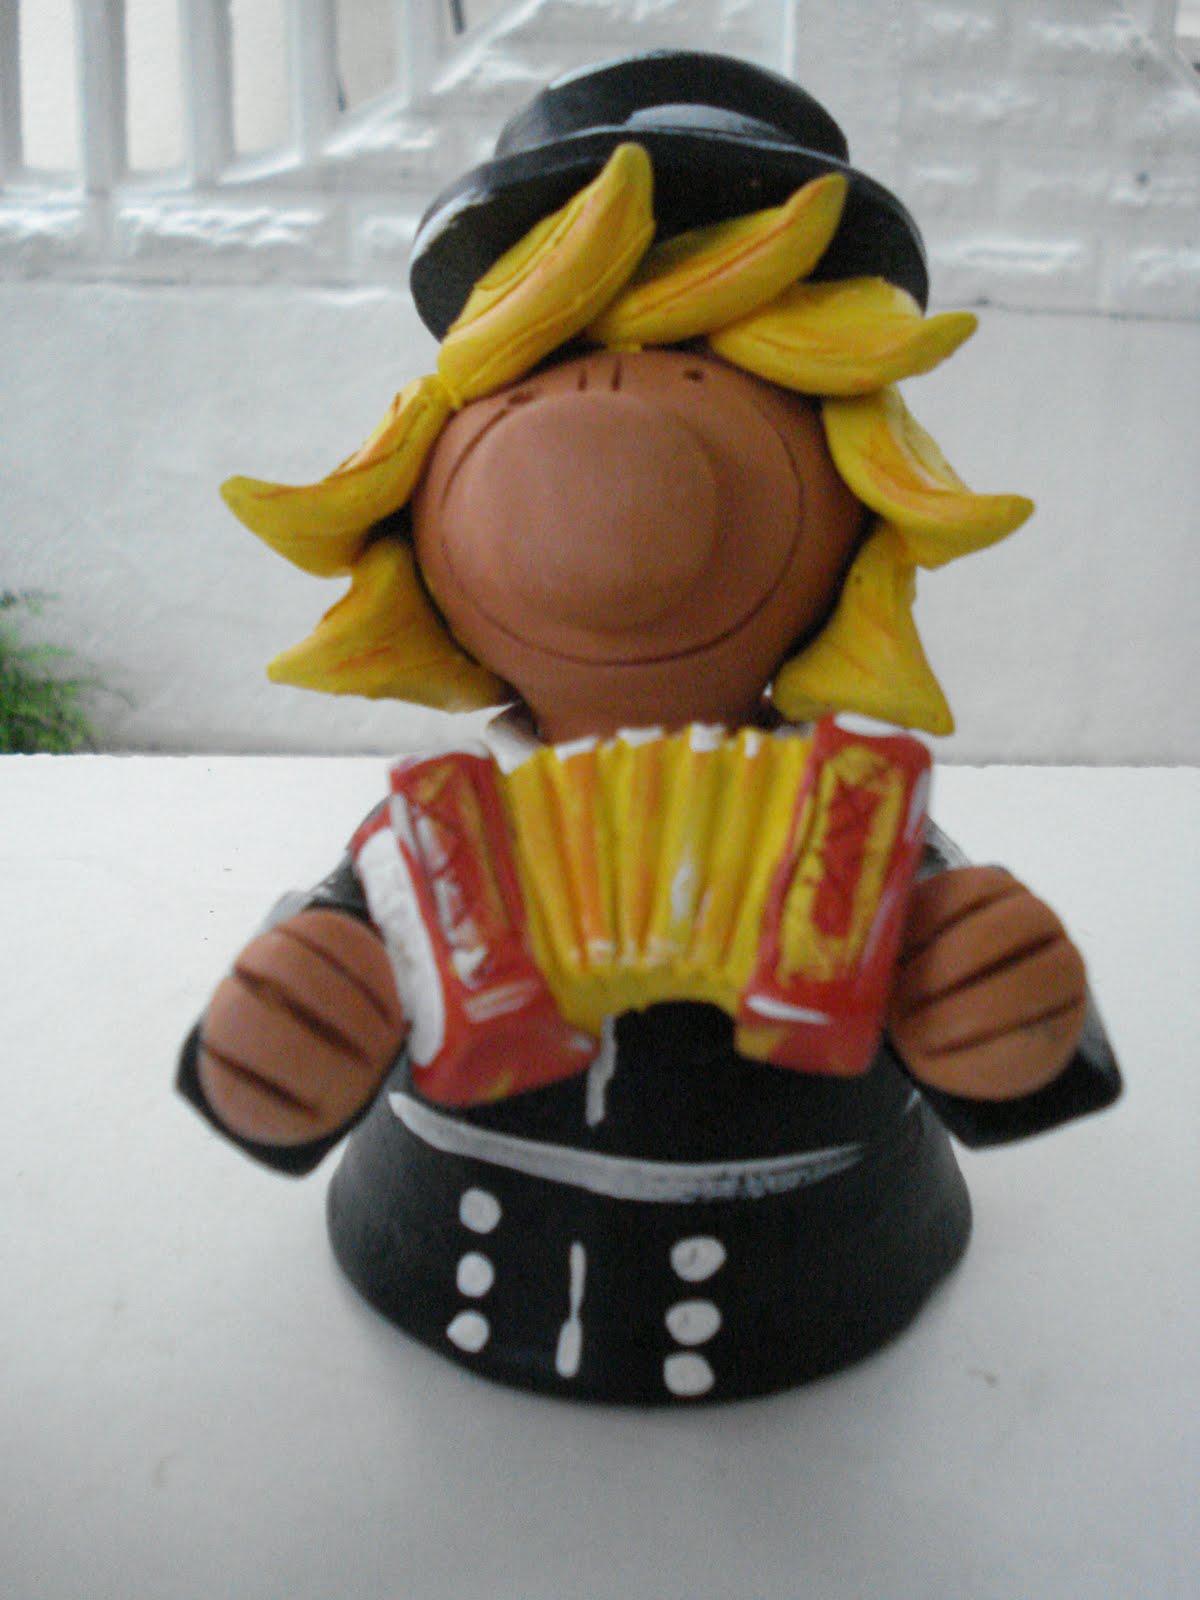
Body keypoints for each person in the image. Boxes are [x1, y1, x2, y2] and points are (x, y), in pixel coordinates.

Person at [178, 52, 1120, 1401]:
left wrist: (1002, 1009)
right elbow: (305, 1004)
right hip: (444, 1253)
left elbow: (1005, 1047)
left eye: (711, 368)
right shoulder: (432, 837)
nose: (608, 421)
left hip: (822, 1274)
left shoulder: (852, 825)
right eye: (558, 357)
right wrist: (294, 1024)